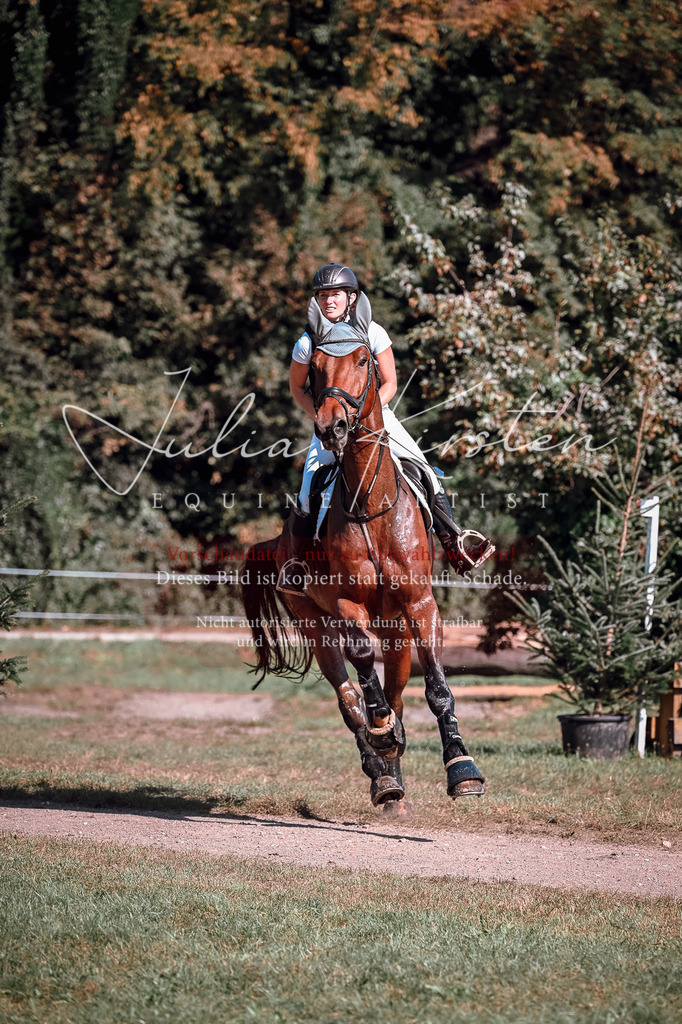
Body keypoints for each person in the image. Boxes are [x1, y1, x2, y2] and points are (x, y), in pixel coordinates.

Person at [276, 263, 483, 594]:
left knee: (426, 471)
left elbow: (390, 383)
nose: (329, 300)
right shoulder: (307, 342)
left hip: (376, 416)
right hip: (332, 421)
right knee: (307, 487)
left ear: (351, 297)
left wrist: (366, 413)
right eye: (323, 295)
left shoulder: (372, 332)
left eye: (336, 294)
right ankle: (298, 565)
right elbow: (298, 389)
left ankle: (454, 543)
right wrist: (322, 416)